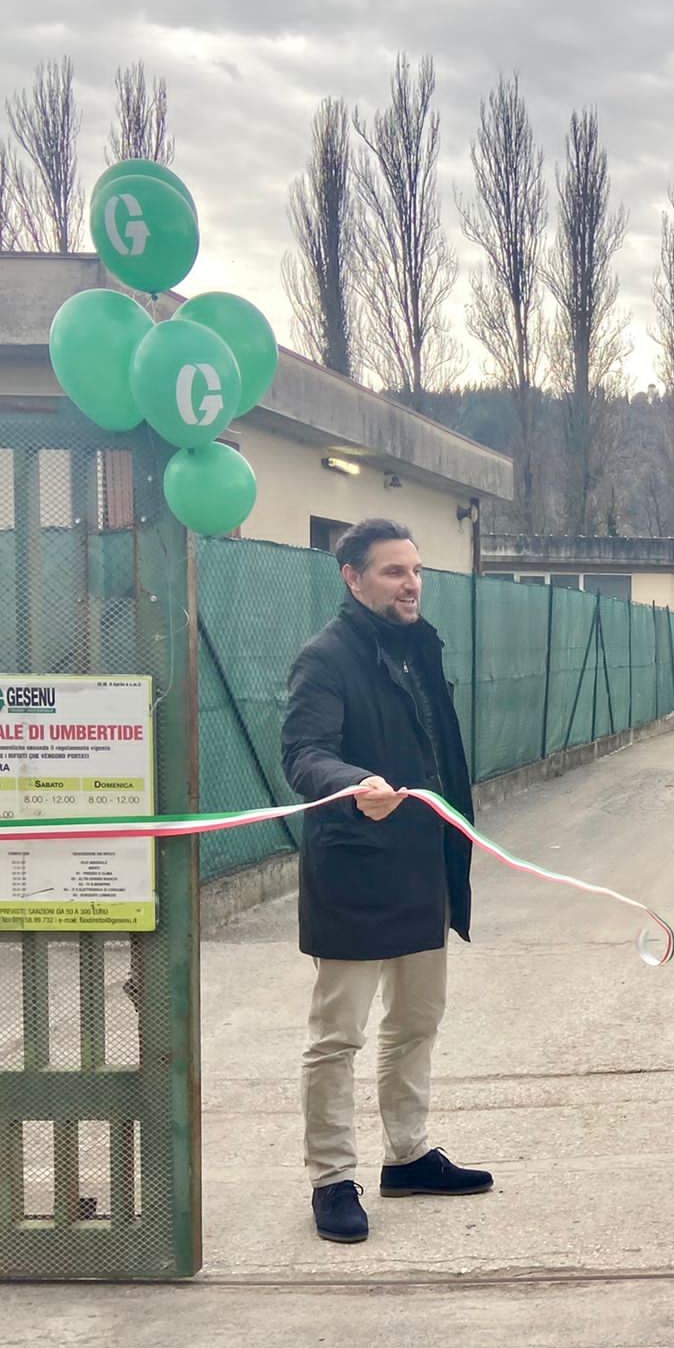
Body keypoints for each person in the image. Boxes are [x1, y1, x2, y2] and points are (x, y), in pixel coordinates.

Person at [281, 517, 488, 1245]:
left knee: (417, 1023)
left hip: (423, 867)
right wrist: (352, 781)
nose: (411, 584)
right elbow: (305, 753)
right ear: (352, 578)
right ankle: (333, 1178)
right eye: (394, 572)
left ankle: (408, 1154)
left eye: (416, 570)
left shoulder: (417, 647)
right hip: (355, 873)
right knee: (338, 1036)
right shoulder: (326, 657)